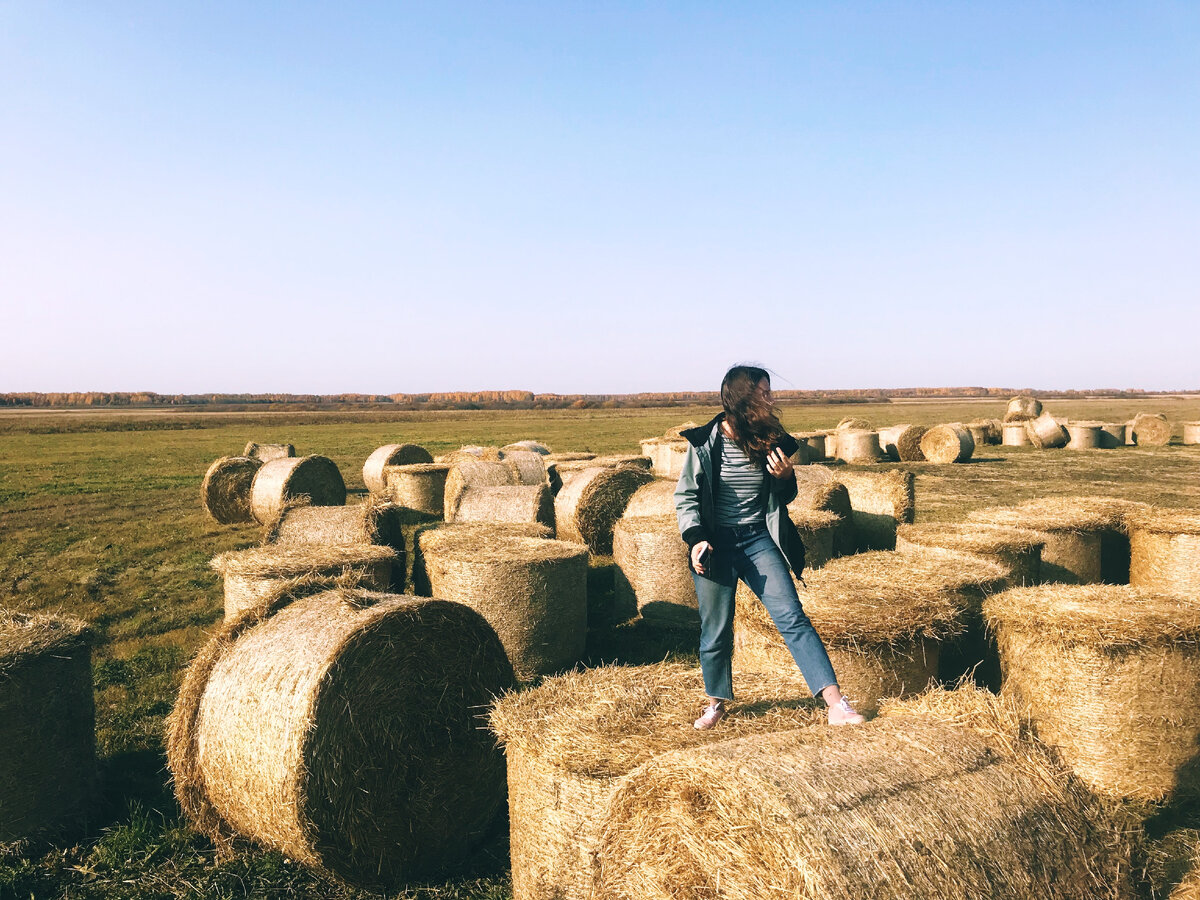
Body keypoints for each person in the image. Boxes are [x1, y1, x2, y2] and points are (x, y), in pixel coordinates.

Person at [674, 365, 864, 729]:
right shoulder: (705, 442)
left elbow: (783, 497)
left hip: (759, 540)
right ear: (743, 398)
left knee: (793, 618)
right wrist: (696, 539)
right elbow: (686, 497)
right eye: (764, 393)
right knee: (715, 629)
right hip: (716, 545)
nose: (771, 400)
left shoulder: (770, 439)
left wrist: (786, 478)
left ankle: (837, 705)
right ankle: (715, 703)